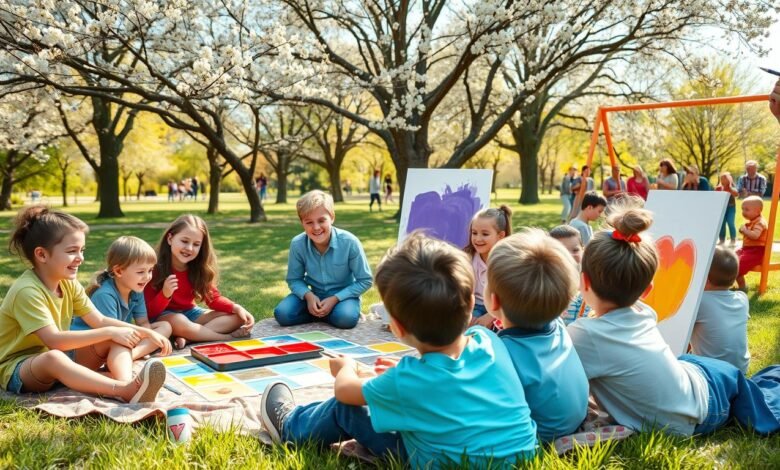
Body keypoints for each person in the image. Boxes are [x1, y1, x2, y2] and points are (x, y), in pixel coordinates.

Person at [260, 233, 539, 467]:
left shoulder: (407, 379)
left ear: (396, 326)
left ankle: (291, 425)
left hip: (439, 463)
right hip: (519, 457)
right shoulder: (490, 341)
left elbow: (345, 392)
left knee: (345, 409)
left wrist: (346, 369)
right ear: (469, 306)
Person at [568, 199, 780, 436]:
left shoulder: (584, 335)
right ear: (647, 291)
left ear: (584, 282)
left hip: (706, 401)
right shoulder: (643, 312)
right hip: (699, 389)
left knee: (764, 397)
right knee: (744, 383)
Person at [0, 206, 168, 403]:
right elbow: (54, 340)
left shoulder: (67, 283)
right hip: (18, 369)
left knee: (117, 338)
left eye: (82, 250)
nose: (80, 258)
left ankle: (130, 385)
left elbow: (100, 320)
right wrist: (110, 332)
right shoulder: (27, 291)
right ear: (42, 255)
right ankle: (123, 390)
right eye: (72, 251)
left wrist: (145, 332)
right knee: (54, 357)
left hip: (62, 358)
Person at [486, 230, 589, 442]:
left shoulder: (500, 352)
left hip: (538, 436)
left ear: (494, 302)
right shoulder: (558, 325)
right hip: (576, 419)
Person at [144, 215, 255, 348]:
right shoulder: (154, 268)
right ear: (170, 238)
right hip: (165, 318)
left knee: (238, 317)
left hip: (191, 313)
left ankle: (189, 338)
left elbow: (213, 298)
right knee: (179, 320)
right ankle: (224, 338)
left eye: (196, 244)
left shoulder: (198, 268)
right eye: (184, 241)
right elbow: (150, 312)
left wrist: (236, 307)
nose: (189, 248)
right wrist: (165, 294)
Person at [72, 236, 173, 380]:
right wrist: (147, 336)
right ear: (119, 271)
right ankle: (124, 375)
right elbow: (112, 335)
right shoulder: (104, 295)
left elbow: (143, 323)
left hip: (119, 338)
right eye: (141, 272)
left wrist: (149, 334)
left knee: (164, 326)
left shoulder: (136, 290)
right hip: (88, 350)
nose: (147, 277)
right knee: (124, 342)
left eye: (150, 270)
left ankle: (131, 355)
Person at [274, 190, 372, 329]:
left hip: (343, 297)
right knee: (282, 314)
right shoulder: (297, 244)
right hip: (313, 296)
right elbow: (294, 279)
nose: (316, 227)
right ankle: (319, 313)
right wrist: (308, 296)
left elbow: (365, 280)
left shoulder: (350, 242)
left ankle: (334, 313)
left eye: (321, 220)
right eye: (309, 222)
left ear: (332, 217)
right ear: (302, 223)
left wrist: (335, 299)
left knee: (345, 318)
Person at [691, 247, 750, 373]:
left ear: (705, 278)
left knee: (681, 360)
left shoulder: (700, 302)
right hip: (740, 370)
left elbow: (683, 334)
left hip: (712, 373)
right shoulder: (742, 298)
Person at [463, 205, 512, 326]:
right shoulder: (469, 258)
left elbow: (511, 296)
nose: (478, 239)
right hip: (473, 305)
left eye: (485, 234)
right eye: (474, 233)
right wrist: (468, 315)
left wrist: (491, 316)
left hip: (501, 307)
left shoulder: (507, 261)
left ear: (500, 236)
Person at [549, 225, 590, 325]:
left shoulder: (589, 284)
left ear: (583, 250)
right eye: (562, 251)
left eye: (575, 250)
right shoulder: (547, 285)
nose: (569, 255)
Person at [735, 196, 768, 291]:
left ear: (758, 211)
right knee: (732, 259)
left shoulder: (760, 223)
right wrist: (743, 230)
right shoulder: (753, 221)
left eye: (747, 209)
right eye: (742, 209)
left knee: (738, 265)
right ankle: (736, 282)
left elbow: (755, 236)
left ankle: (742, 287)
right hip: (747, 250)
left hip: (756, 251)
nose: (743, 212)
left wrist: (745, 231)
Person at [716, 172, 739, 246]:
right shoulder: (718, 188)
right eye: (722, 179)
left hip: (731, 207)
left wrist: (730, 188)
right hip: (722, 208)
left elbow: (736, 194)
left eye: (725, 178)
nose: (723, 180)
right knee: (722, 223)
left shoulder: (732, 188)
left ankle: (733, 239)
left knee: (730, 222)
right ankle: (722, 239)